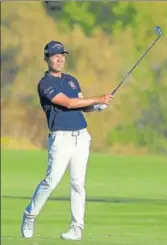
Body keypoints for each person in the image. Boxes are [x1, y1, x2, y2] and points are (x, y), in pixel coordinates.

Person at [21, 40, 113, 240]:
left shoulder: (72, 80)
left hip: (81, 136)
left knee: (78, 183)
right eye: (55, 55)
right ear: (47, 58)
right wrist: (98, 98)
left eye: (62, 55)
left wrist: (97, 107)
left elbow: (80, 105)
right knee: (51, 180)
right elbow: (69, 103)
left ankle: (76, 228)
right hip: (61, 137)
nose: (60, 58)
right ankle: (30, 215)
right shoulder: (45, 84)